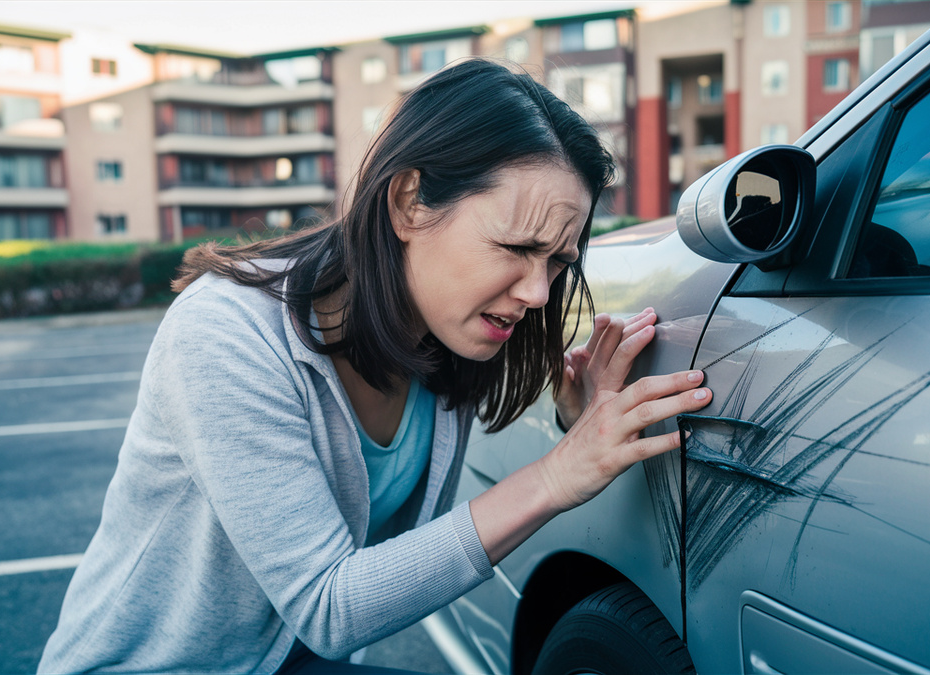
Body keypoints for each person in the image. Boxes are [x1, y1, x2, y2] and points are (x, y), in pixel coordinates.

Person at [38, 59, 711, 674]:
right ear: (409, 202)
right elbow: (330, 606)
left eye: (558, 261)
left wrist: (575, 420)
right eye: (515, 248)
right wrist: (558, 475)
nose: (538, 292)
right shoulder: (225, 334)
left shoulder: (441, 337)